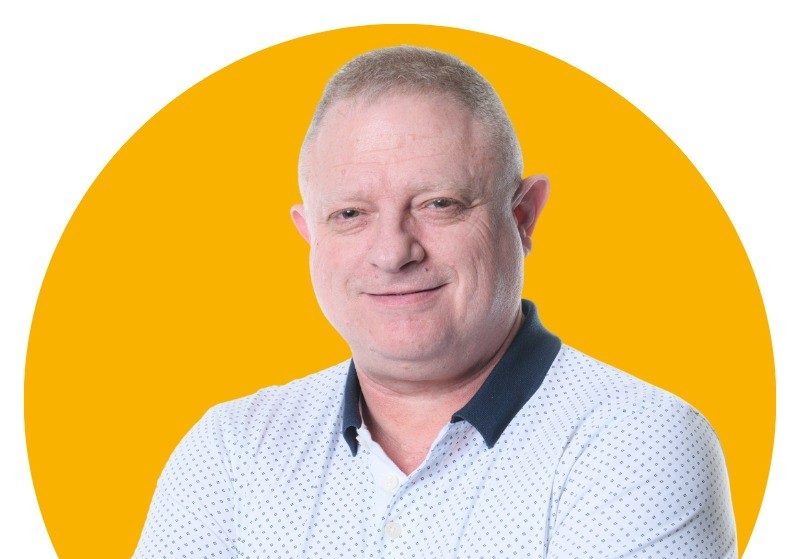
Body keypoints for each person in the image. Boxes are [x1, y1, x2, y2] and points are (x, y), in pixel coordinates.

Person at [133, 46, 737, 558]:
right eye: (350, 214)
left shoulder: (639, 441)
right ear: (309, 234)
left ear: (523, 217)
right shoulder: (232, 450)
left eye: (439, 204)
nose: (392, 252)